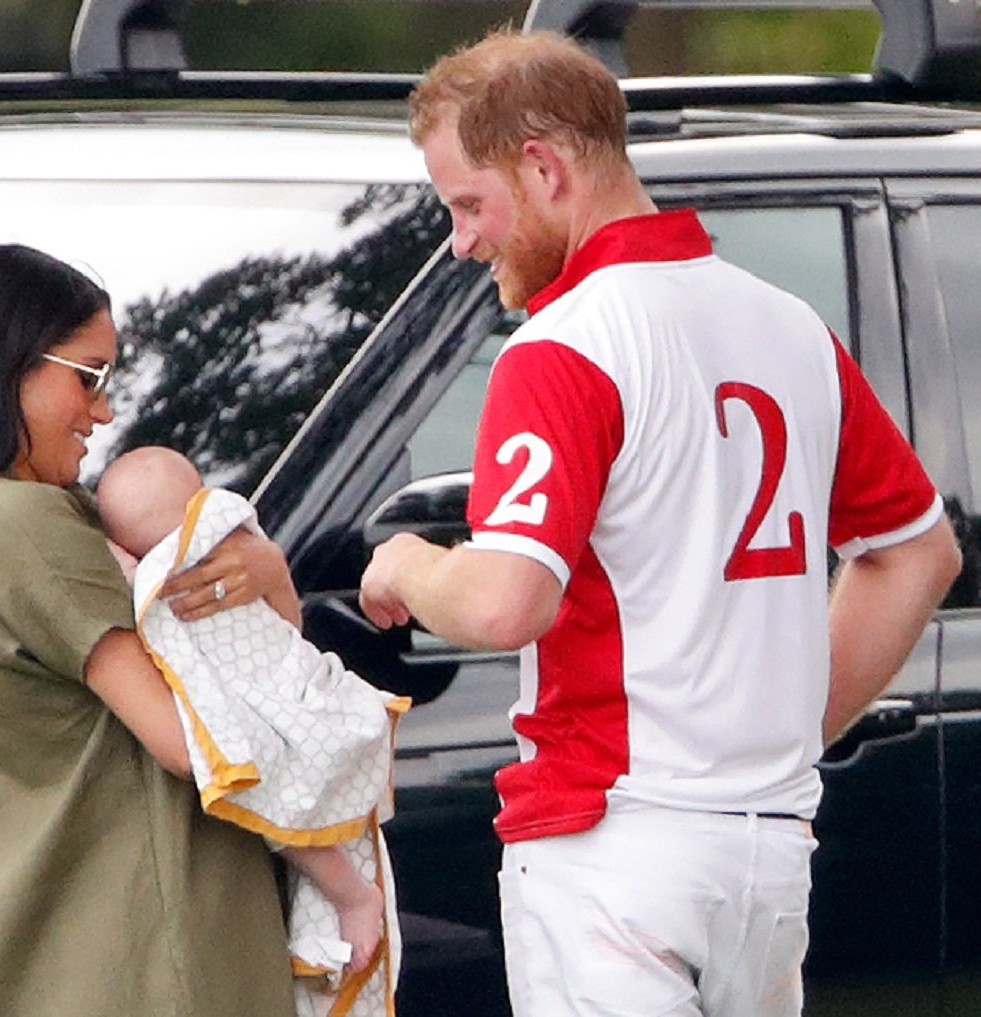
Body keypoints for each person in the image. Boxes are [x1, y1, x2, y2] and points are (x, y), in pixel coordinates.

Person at [358, 30, 963, 1017]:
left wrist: (407, 566)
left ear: (544, 167)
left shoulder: (562, 343)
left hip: (615, 849)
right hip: (765, 856)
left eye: (470, 206)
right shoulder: (788, 325)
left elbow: (510, 600)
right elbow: (917, 554)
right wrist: (778, 735)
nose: (463, 241)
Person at [0, 244, 299, 1017]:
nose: (104, 411)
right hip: (124, 970)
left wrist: (264, 575)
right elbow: (203, 741)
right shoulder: (23, 524)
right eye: (89, 376)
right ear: (5, 366)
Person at [96, 445, 404, 1017]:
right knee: (291, 804)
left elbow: (272, 640)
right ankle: (353, 898)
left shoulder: (196, 566)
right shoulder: (221, 547)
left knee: (285, 803)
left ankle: (353, 898)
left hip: (282, 721)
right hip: (290, 721)